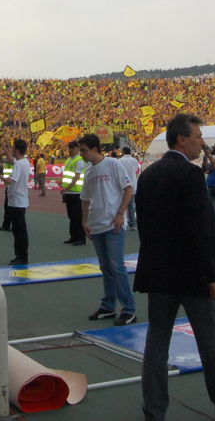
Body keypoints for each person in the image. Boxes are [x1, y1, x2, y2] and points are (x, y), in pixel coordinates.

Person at [134, 114, 215, 421]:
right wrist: (211, 277)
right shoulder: (190, 175)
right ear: (181, 139)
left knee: (156, 345)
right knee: (211, 344)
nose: (200, 142)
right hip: (192, 275)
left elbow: (145, 226)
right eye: (197, 136)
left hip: (159, 273)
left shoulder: (149, 175)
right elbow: (201, 230)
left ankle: (153, 411)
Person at [78, 133, 136, 326]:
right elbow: (85, 199)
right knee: (106, 268)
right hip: (97, 225)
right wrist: (85, 221)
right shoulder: (89, 171)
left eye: (84, 150)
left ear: (95, 148)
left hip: (113, 224)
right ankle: (109, 305)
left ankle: (129, 309)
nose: (82, 154)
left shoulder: (113, 164)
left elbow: (128, 190)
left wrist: (120, 214)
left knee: (117, 266)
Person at [0, 139, 30, 265]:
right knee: (19, 230)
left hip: (17, 201)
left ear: (17, 150)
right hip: (19, 200)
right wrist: (6, 151)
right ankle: (21, 256)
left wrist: (1, 177)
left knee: (19, 232)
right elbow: (13, 160)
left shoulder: (19, 164)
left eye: (12, 148)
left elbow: (12, 180)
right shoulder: (24, 161)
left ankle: (21, 257)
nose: (11, 150)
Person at [61, 140, 86, 245]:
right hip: (70, 193)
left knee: (77, 216)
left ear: (77, 149)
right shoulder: (68, 160)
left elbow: (77, 177)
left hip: (77, 192)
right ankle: (73, 236)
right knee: (71, 216)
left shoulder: (79, 161)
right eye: (69, 148)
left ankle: (81, 238)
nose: (70, 150)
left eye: (73, 148)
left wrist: (66, 188)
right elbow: (67, 175)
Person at [118, 146, 141, 230]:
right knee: (131, 205)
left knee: (122, 205)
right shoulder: (135, 161)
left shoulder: (120, 161)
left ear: (123, 152)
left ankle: (123, 222)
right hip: (133, 185)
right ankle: (132, 224)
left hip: (122, 186)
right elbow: (136, 171)